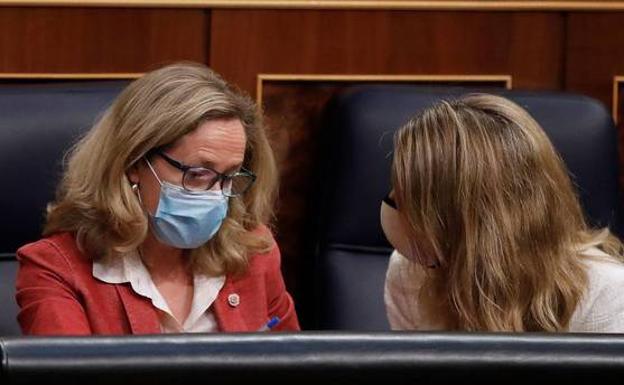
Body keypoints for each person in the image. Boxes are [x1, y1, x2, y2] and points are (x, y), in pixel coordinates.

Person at [16, 62, 300, 335]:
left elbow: (294, 368)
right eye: (199, 173)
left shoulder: (252, 252)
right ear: (133, 164)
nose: (216, 194)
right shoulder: (56, 269)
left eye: (229, 176)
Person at [380, 93, 624, 332]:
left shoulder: (608, 296)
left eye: (418, 199)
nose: (395, 202)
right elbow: (418, 371)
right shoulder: (407, 271)